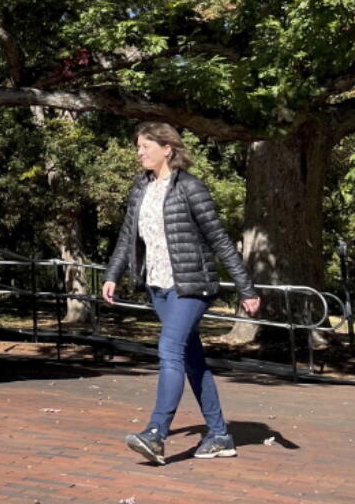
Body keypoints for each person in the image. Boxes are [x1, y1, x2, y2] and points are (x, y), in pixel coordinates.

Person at [102, 122, 261, 465]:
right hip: (158, 286)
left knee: (169, 349)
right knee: (192, 361)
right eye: (138, 147)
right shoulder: (139, 189)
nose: (139, 152)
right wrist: (112, 274)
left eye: (145, 146)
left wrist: (246, 288)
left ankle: (156, 434)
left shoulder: (190, 188)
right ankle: (219, 434)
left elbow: (219, 239)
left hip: (192, 285)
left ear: (167, 149)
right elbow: (128, 236)